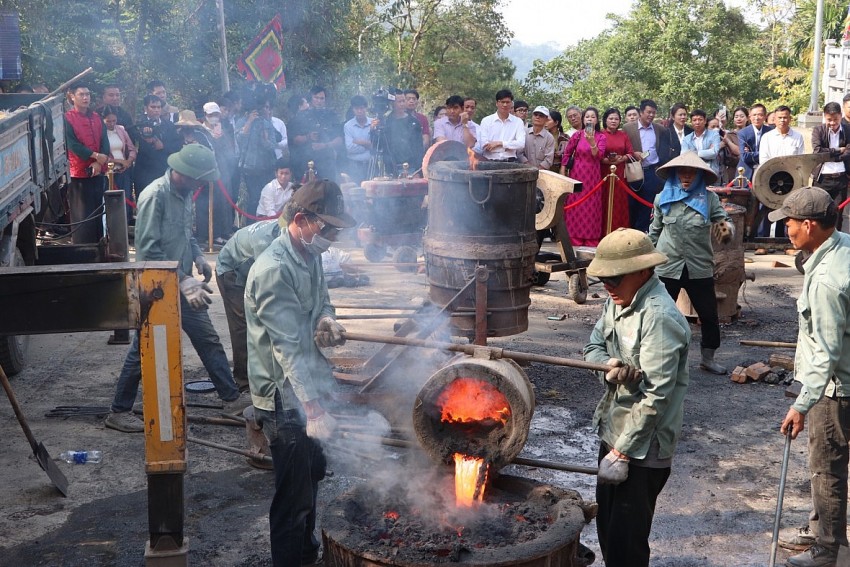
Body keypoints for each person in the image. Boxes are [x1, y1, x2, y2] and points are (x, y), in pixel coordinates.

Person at [245, 180, 356, 567]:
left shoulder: (308, 256)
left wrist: (327, 317)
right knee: (293, 495)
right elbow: (288, 348)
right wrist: (312, 409)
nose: (332, 236)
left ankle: (306, 554)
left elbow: (323, 298)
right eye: (327, 228)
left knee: (312, 477)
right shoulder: (274, 270)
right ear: (301, 220)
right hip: (285, 395)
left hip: (309, 385)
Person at [105, 145, 249, 433]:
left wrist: (197, 257)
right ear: (183, 173)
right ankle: (119, 411)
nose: (200, 186)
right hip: (156, 285)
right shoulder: (154, 196)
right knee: (143, 348)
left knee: (206, 337)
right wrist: (184, 279)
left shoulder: (185, 194)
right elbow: (147, 251)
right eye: (198, 180)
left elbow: (186, 233)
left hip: (181, 285)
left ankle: (230, 398)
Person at [583, 227, 690, 567]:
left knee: (627, 544)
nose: (608, 286)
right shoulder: (616, 301)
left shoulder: (658, 317)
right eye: (604, 279)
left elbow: (657, 396)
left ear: (643, 271)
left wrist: (622, 451)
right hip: (614, 429)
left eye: (616, 278)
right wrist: (608, 364)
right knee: (609, 533)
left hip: (642, 447)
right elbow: (591, 348)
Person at [776, 187, 850, 567]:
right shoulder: (842, 247)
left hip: (835, 389)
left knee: (827, 470)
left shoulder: (825, 281)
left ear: (809, 225)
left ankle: (827, 553)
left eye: (789, 223)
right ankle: (823, 527)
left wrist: (802, 403)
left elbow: (825, 352)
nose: (785, 229)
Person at [649, 151, 733, 375]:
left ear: (699, 176)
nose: (686, 176)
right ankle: (658, 358)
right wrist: (646, 261)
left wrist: (726, 231)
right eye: (682, 172)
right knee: (661, 315)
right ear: (675, 174)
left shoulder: (710, 199)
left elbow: (723, 221)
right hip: (668, 265)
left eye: (691, 173)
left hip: (699, 266)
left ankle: (708, 358)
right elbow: (655, 232)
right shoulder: (662, 199)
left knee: (708, 315)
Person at [215, 218, 282, 394]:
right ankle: (244, 383)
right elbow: (266, 282)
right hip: (232, 273)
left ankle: (268, 375)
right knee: (245, 327)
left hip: (250, 271)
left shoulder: (284, 230)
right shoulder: (266, 240)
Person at [64, 82, 109, 244]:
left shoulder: (96, 117)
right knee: (83, 216)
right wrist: (94, 155)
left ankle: (100, 247)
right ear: (72, 96)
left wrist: (99, 161)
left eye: (87, 94)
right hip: (79, 174)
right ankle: (83, 250)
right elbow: (72, 144)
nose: (85, 98)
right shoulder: (67, 118)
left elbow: (104, 140)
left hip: (97, 171)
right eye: (81, 94)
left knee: (98, 212)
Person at [623, 99, 671, 232]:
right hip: (634, 171)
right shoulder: (628, 128)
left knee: (647, 205)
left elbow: (665, 148)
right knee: (632, 204)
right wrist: (633, 153)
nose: (651, 115)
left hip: (651, 172)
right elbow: (624, 147)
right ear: (641, 112)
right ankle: (631, 232)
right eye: (648, 112)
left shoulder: (659, 129)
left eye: (653, 113)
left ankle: (642, 234)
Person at [562, 107, 607, 246]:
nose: (589, 119)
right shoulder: (577, 135)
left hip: (593, 175)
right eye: (587, 117)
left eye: (593, 117)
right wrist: (563, 172)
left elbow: (599, 156)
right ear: (583, 119)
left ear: (597, 120)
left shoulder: (601, 137)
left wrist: (592, 142)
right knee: (575, 205)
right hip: (577, 173)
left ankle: (591, 239)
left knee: (591, 207)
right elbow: (567, 154)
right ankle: (573, 238)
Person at [758, 105, 804, 238]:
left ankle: (785, 242)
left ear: (790, 119)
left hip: (790, 180)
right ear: (774, 119)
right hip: (770, 178)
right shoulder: (767, 137)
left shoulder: (798, 137)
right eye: (779, 117)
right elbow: (764, 159)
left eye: (785, 117)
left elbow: (800, 159)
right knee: (767, 208)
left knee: (788, 209)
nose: (782, 120)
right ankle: (762, 242)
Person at [237, 95, 281, 222]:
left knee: (268, 197)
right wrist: (249, 122)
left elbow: (272, 145)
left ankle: (268, 223)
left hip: (267, 166)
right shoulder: (242, 122)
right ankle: (251, 226)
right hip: (249, 167)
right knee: (254, 198)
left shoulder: (266, 124)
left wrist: (265, 139)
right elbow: (239, 140)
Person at [132, 94, 182, 197]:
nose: (156, 110)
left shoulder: (169, 125)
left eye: (158, 107)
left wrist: (163, 146)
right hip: (145, 172)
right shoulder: (138, 125)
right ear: (145, 108)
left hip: (166, 169)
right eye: (153, 107)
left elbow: (178, 145)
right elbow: (136, 146)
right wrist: (148, 140)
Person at [812, 101, 850, 232]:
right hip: (822, 178)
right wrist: (839, 150)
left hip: (841, 178)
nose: (832, 123)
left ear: (840, 116)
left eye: (835, 120)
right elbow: (818, 152)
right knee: (819, 211)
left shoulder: (847, 130)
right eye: (829, 120)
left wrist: (831, 154)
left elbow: (848, 152)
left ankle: (837, 241)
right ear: (824, 117)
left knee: (838, 213)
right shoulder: (818, 130)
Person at [600, 107, 639, 232]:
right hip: (603, 174)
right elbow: (597, 155)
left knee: (619, 203)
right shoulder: (600, 135)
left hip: (620, 174)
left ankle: (619, 232)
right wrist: (606, 160)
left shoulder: (623, 135)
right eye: (611, 118)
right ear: (605, 120)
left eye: (616, 119)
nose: (613, 121)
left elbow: (631, 153)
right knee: (603, 202)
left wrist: (621, 159)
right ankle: (602, 232)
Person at [101, 105, 137, 223]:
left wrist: (128, 161)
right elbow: (101, 154)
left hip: (124, 170)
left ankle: (124, 228)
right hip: (109, 172)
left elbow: (132, 148)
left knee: (125, 200)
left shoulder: (121, 129)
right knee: (110, 203)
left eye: (114, 121)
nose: (111, 124)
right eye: (108, 121)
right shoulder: (100, 133)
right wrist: (117, 162)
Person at [377, 88, 424, 174]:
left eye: (403, 101)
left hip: (411, 168)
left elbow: (419, 149)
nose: (402, 104)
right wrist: (373, 130)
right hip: (391, 169)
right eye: (399, 102)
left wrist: (418, 171)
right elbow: (379, 145)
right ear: (392, 103)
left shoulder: (414, 122)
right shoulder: (386, 122)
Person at [477, 89, 526, 162]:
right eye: (502, 102)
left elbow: (521, 144)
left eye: (507, 102)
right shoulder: (486, 121)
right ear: (497, 103)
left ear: (511, 104)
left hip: (510, 162)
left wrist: (500, 143)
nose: (505, 105)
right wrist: (508, 147)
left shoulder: (518, 122)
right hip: (489, 161)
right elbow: (484, 145)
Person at [737, 103, 773, 181]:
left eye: (760, 115)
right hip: (746, 173)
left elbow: (774, 154)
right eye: (754, 115)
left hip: (767, 172)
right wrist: (765, 154)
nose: (756, 118)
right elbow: (744, 157)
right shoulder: (743, 133)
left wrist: (751, 154)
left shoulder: (771, 132)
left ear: (765, 116)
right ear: (749, 117)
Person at [682, 109, 721, 177]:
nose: (697, 122)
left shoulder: (714, 135)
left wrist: (696, 153)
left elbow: (714, 152)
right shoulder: (687, 139)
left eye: (700, 119)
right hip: (693, 173)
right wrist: (707, 152)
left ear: (705, 121)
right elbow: (684, 155)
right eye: (694, 120)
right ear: (691, 122)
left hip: (711, 173)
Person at [343, 95, 372, 184]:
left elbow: (376, 147)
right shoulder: (348, 126)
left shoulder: (373, 123)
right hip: (354, 166)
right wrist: (367, 145)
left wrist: (360, 142)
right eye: (356, 109)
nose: (359, 111)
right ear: (353, 109)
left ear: (366, 108)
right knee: (355, 192)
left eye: (362, 108)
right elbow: (350, 148)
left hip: (371, 165)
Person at [718, 106, 748, 185]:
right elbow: (737, 152)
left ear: (747, 118)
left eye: (742, 116)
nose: (739, 119)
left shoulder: (751, 133)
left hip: (749, 170)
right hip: (732, 171)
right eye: (736, 117)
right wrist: (727, 141)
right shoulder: (729, 135)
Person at [521, 106, 555, 170]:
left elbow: (548, 160)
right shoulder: (524, 133)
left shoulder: (549, 138)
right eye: (535, 114)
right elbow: (519, 153)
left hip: (542, 173)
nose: (537, 117)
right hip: (523, 170)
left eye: (541, 115)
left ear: (546, 119)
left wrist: (536, 170)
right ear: (532, 116)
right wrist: (528, 166)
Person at [546, 109, 569, 174]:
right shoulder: (543, 136)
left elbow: (568, 155)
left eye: (548, 120)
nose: (545, 122)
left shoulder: (565, 138)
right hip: (546, 171)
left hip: (561, 171)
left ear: (556, 123)